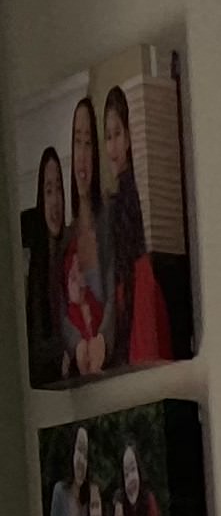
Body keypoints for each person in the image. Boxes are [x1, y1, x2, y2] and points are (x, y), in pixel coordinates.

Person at [94, 86, 168, 370]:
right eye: (108, 137)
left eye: (117, 134)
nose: (112, 147)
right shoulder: (122, 195)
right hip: (136, 297)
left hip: (139, 300)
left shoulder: (126, 196)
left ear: (128, 137)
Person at [57, 97, 108, 379]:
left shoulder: (109, 222)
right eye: (78, 142)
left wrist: (103, 342)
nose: (82, 153)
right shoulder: (66, 239)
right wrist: (76, 347)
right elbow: (61, 314)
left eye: (89, 143)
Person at [19, 149, 61, 391]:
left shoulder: (70, 252)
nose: (54, 200)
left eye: (57, 189)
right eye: (48, 191)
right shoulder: (35, 269)